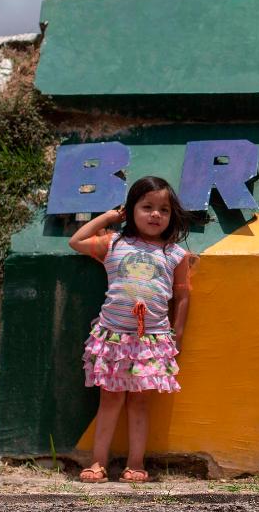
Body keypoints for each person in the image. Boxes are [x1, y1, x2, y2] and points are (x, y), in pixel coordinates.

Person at [67, 176, 195, 484]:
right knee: (110, 400)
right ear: (132, 210)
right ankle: (98, 461)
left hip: (151, 341)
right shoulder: (114, 243)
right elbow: (76, 241)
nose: (155, 215)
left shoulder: (176, 254)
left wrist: (176, 332)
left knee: (139, 403)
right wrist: (110, 217)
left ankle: (136, 462)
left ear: (171, 215)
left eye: (163, 210)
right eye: (146, 207)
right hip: (113, 337)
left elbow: (183, 295)